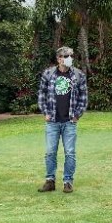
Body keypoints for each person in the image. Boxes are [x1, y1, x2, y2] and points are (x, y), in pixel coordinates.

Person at [37, 46, 88, 194]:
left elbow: (83, 98)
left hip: (69, 122)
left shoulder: (78, 75)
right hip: (52, 120)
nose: (70, 58)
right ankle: (50, 181)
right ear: (59, 58)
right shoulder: (48, 74)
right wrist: (45, 112)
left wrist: (77, 115)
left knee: (70, 153)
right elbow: (42, 94)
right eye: (66, 56)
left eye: (71, 55)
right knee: (50, 152)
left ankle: (68, 182)